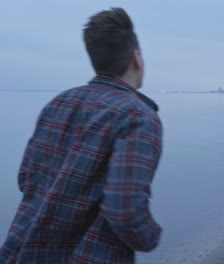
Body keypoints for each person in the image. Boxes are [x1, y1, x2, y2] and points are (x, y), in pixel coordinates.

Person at [0, 8, 162, 263]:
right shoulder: (138, 116)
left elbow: (26, 179)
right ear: (137, 58)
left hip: (22, 251)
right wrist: (151, 237)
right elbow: (125, 211)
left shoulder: (58, 103)